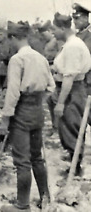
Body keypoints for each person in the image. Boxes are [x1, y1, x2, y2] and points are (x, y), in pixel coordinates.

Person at [0, 21, 55, 212]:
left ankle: (22, 206)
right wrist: (37, 100)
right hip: (37, 109)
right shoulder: (40, 58)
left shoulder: (17, 59)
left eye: (10, 39)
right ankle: (45, 199)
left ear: (14, 38)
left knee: (22, 160)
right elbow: (51, 87)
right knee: (37, 157)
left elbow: (13, 93)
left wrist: (6, 119)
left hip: (22, 110)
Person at [51, 12, 91, 176]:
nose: (53, 33)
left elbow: (69, 77)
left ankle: (76, 167)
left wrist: (60, 102)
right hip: (69, 87)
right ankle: (74, 163)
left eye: (54, 29)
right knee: (68, 127)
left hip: (72, 89)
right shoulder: (70, 43)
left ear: (62, 28)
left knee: (71, 126)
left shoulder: (73, 46)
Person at [72, 2, 91, 95]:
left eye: (77, 18)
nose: (74, 21)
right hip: (81, 80)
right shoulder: (77, 35)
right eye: (73, 18)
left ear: (85, 18)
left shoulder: (89, 34)